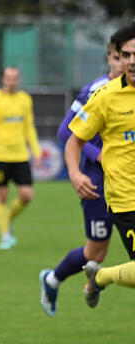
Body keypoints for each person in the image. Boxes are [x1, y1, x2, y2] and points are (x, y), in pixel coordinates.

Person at [38, 38, 123, 316]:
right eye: (120, 56)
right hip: (97, 180)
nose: (126, 63)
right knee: (96, 252)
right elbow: (66, 133)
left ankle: (94, 282)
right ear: (110, 58)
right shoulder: (96, 91)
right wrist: (99, 156)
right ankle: (54, 279)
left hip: (127, 180)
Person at [65, 21, 135, 307]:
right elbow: (72, 140)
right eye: (126, 55)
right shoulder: (105, 96)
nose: (132, 61)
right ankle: (101, 277)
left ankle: (100, 276)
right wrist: (74, 172)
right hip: (126, 198)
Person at [0, 66, 42, 250]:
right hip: (0, 156)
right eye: (8, 77)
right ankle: (5, 235)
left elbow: (29, 127)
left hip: (20, 155)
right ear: (3, 79)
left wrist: (37, 151)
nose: (12, 81)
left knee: (26, 195)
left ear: (19, 79)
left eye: (15, 78)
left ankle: (5, 221)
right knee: (2, 195)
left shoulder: (25, 99)